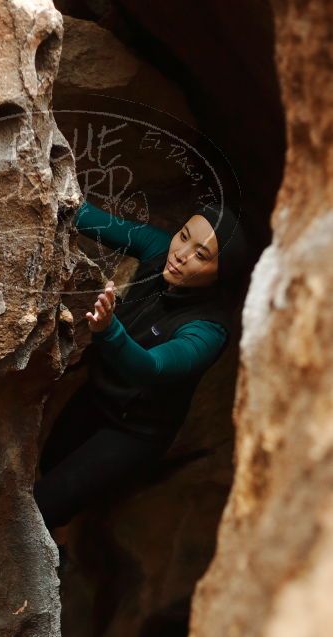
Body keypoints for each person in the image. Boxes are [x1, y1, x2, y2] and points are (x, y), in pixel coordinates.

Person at [33, 197, 249, 552]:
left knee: (46, 504)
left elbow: (152, 368)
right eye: (184, 237)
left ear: (219, 274)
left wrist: (109, 330)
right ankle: (62, 533)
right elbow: (94, 220)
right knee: (50, 459)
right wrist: (48, 192)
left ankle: (51, 567)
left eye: (202, 255)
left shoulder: (209, 330)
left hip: (133, 432)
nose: (181, 254)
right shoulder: (161, 250)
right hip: (98, 395)